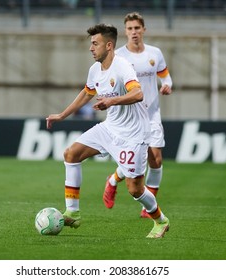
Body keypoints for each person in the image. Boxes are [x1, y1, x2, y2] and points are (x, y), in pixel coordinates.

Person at [46, 23, 169, 238]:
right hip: (110, 128)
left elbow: (138, 93)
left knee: (135, 189)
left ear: (109, 45)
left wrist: (112, 101)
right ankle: (73, 212)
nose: (91, 48)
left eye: (96, 43)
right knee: (71, 154)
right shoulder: (95, 70)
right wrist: (62, 115)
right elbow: (86, 93)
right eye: (91, 44)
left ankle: (160, 220)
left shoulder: (122, 66)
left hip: (133, 134)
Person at [103, 12, 173, 218]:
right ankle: (113, 180)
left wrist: (167, 86)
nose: (134, 32)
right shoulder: (118, 56)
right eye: (130, 29)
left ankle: (147, 206)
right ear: (125, 32)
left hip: (151, 115)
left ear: (143, 30)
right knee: (135, 162)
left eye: (137, 28)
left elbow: (166, 78)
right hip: (130, 119)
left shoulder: (155, 54)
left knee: (156, 160)